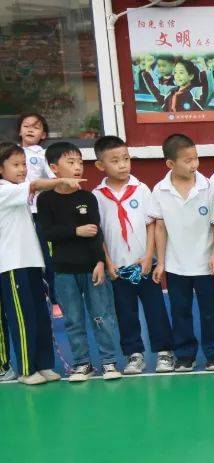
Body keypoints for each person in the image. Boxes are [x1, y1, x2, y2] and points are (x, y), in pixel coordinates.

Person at [36, 142, 122, 381]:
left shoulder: (88, 197)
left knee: (101, 316)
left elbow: (96, 232)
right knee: (73, 320)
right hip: (63, 271)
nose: (77, 168)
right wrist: (76, 231)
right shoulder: (45, 200)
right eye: (70, 163)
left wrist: (100, 262)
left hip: (92, 268)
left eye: (80, 163)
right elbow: (48, 232)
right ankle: (82, 363)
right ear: (54, 168)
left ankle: (109, 362)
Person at [93, 135, 175, 373]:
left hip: (144, 264)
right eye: (115, 160)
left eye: (126, 159)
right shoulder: (97, 196)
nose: (123, 165)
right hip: (117, 268)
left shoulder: (141, 189)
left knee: (155, 309)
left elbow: (151, 224)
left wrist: (150, 256)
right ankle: (134, 354)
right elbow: (99, 233)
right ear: (100, 165)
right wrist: (108, 263)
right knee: (124, 313)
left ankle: (163, 352)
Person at [0, 142, 81, 384]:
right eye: (15, 165)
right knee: (22, 318)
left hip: (32, 263)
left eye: (24, 164)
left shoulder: (17, 190)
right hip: (12, 265)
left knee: (40, 315)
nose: (22, 169)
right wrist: (60, 181)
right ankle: (27, 369)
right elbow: (35, 185)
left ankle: (44, 364)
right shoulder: (4, 190)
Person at [151, 134, 214, 372]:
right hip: (175, 265)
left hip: (205, 263)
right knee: (180, 311)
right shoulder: (160, 190)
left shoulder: (209, 186)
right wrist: (160, 262)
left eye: (196, 158)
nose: (195, 164)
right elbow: (160, 228)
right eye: (188, 160)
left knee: (210, 312)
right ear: (170, 164)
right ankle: (185, 355)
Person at [17, 112, 61, 317]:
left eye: (36, 126)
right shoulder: (12, 153)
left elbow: (54, 179)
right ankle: (31, 297)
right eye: (26, 125)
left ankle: (54, 299)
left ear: (43, 134)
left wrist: (37, 187)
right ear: (19, 130)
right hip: (17, 212)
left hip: (37, 212)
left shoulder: (43, 155)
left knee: (46, 255)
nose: (30, 129)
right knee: (23, 256)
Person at [141, 58, 207, 113]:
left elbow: (207, 88)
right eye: (175, 72)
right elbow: (154, 87)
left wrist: (204, 70)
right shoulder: (170, 91)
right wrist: (148, 68)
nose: (177, 76)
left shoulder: (196, 91)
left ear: (191, 76)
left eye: (181, 73)